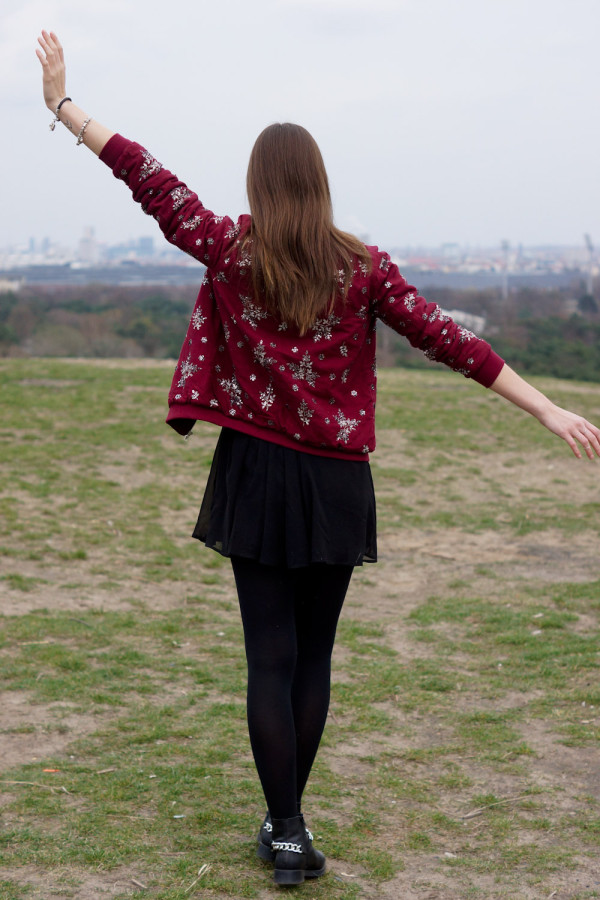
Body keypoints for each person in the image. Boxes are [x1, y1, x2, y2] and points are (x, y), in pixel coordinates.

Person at [37, 30, 600, 886]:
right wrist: (549, 408)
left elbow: (152, 183)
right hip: (338, 485)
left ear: (260, 186)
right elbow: (456, 344)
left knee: (269, 656)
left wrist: (65, 109)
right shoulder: (364, 270)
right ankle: (288, 822)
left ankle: (287, 826)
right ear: (321, 184)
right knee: (314, 657)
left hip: (257, 476)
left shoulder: (232, 247)